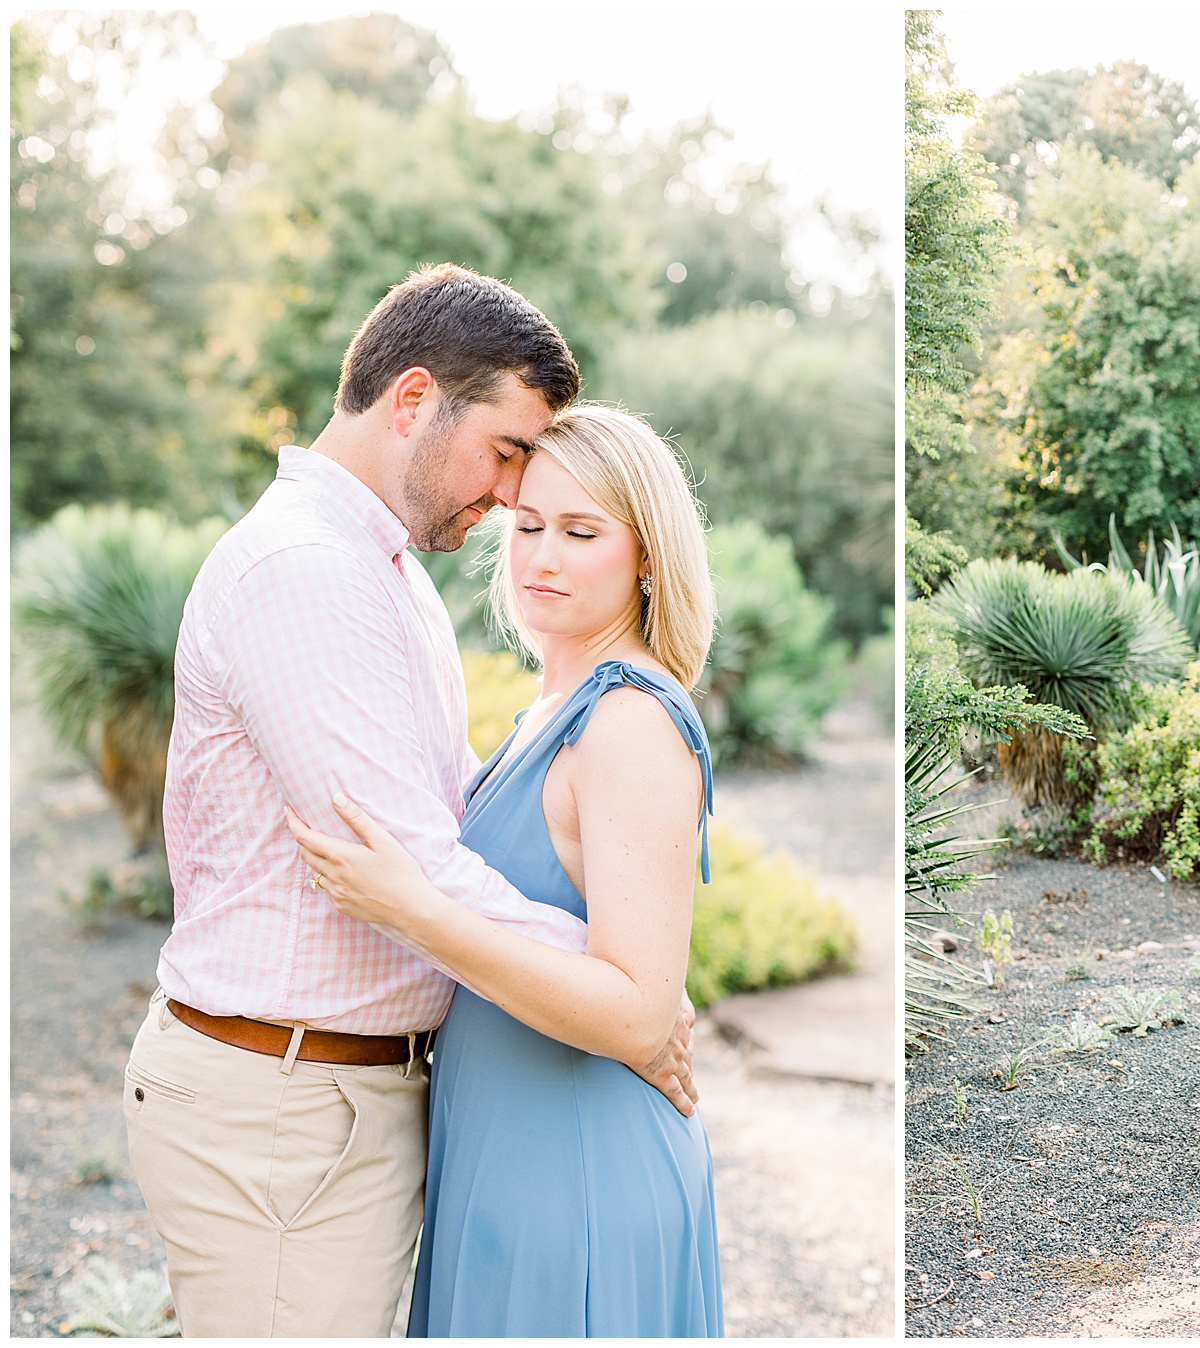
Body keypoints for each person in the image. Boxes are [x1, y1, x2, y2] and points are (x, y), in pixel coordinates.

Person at [123, 265, 697, 1337]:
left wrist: (631, 991)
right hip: (284, 1111)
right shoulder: (307, 571)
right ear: (416, 399)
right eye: (507, 455)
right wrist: (628, 999)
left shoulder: (380, 573)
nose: (510, 498)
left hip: (334, 1104)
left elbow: (450, 832)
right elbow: (406, 865)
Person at [290, 404, 723, 1334]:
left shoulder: (631, 723)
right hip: (500, 1164)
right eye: (528, 526)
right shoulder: (546, 713)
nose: (543, 558)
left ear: (647, 556)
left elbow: (642, 1009)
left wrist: (414, 912)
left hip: (576, 1181)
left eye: (581, 532)